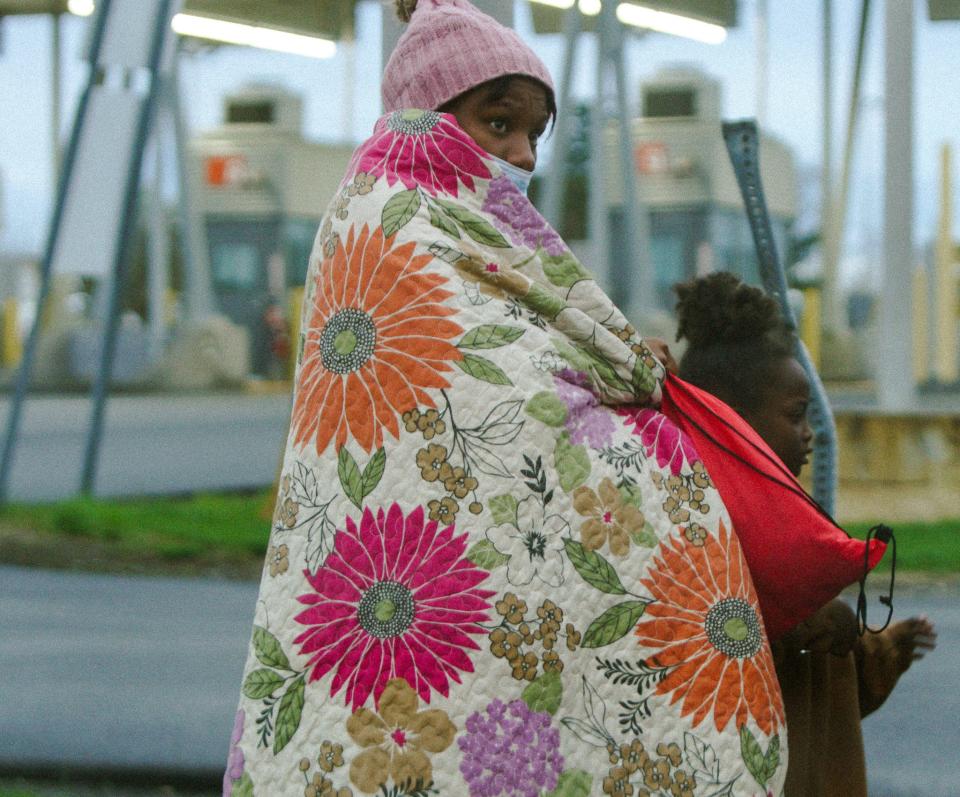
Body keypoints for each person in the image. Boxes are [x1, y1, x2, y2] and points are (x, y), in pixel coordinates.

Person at [223, 3, 791, 794]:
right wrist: (624, 384)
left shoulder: (465, 226)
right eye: (498, 124)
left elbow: (527, 351)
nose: (521, 154)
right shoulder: (386, 220)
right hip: (394, 582)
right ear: (429, 119)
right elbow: (496, 398)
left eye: (535, 133)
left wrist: (613, 365)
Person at [674, 271, 937, 797]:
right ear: (732, 421)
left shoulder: (789, 529)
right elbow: (723, 641)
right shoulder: (700, 523)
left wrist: (879, 651)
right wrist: (814, 622)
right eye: (796, 415)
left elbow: (831, 694)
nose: (809, 432)